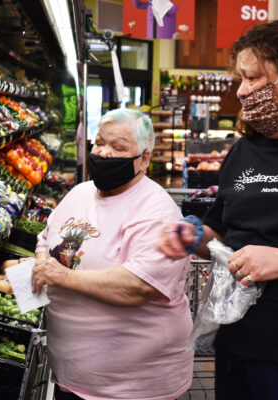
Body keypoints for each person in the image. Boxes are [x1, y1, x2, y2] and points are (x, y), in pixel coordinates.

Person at [158, 19, 278, 400]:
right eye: (241, 78)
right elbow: (224, 234)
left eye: (253, 79)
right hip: (236, 343)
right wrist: (195, 237)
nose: (242, 90)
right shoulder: (243, 151)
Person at [32, 108, 194, 400]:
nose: (104, 153)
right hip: (70, 378)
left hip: (131, 388)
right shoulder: (79, 194)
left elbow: (137, 286)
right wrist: (40, 265)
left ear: (144, 158)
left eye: (118, 147)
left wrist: (61, 275)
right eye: (99, 143)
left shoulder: (156, 210)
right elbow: (46, 240)